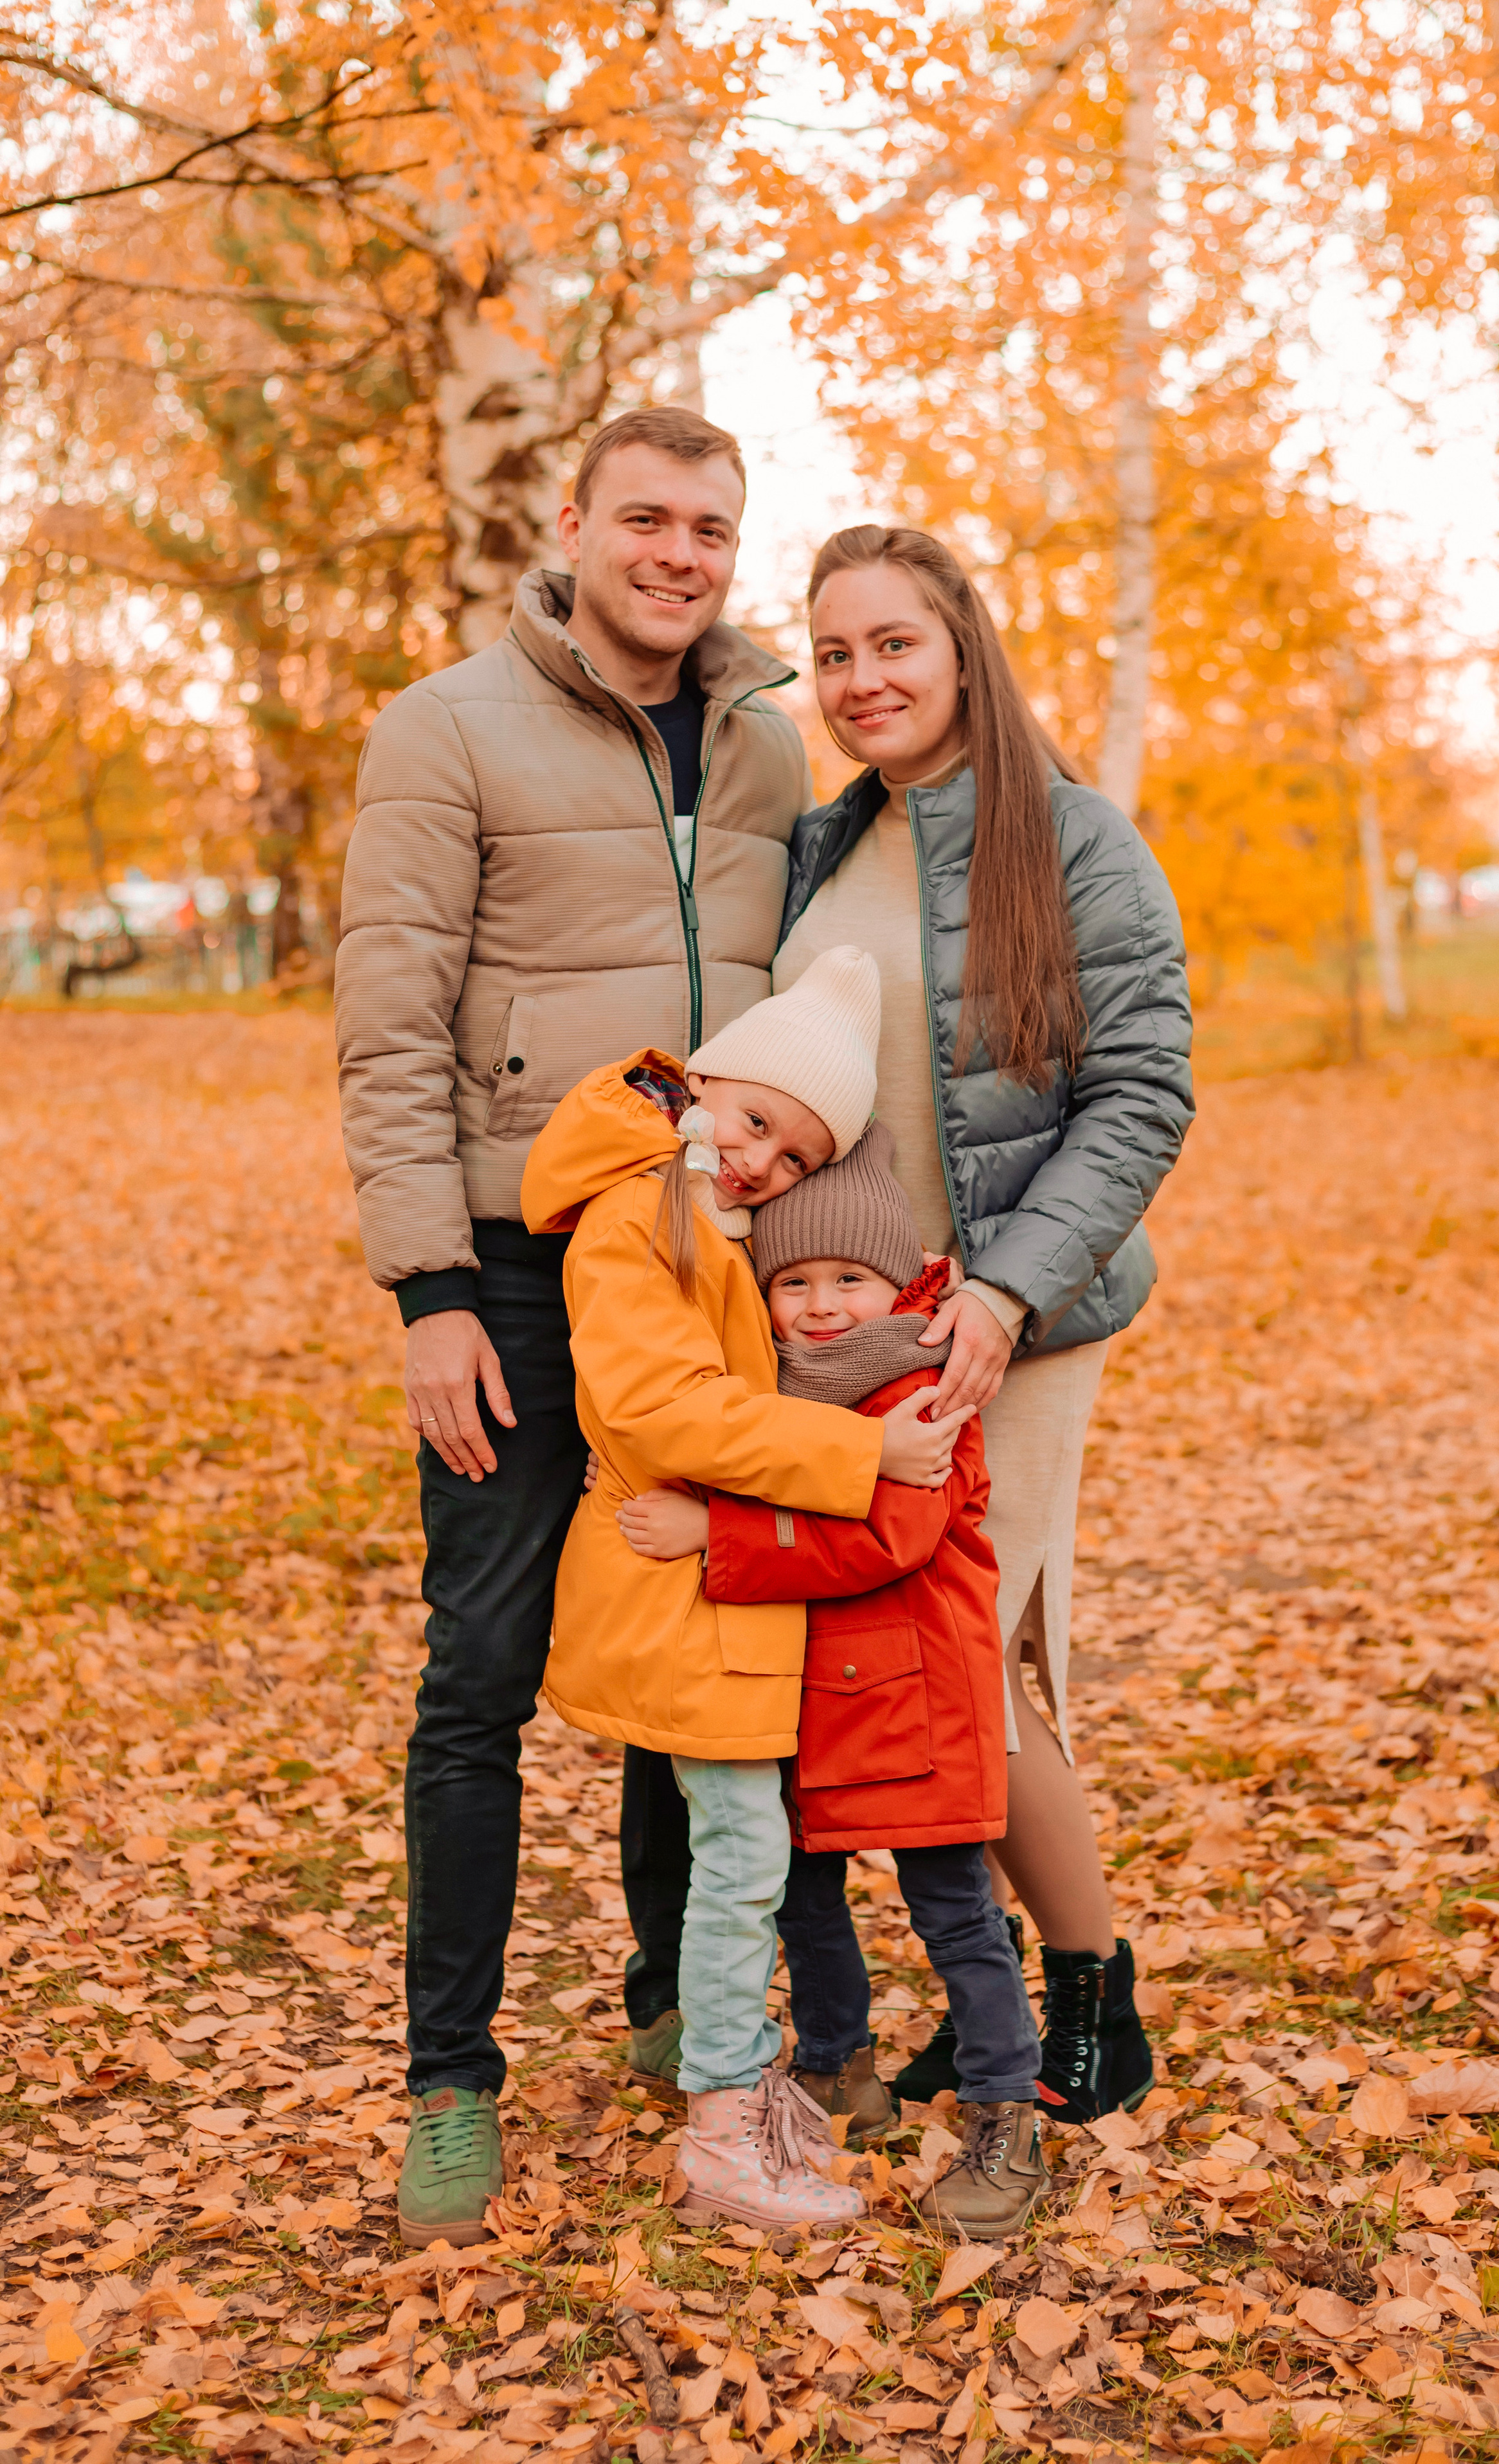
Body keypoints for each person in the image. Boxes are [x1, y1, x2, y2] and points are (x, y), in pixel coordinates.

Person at [333, 403, 820, 2249]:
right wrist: (428, 1293)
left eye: (710, 525)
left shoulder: (772, 750)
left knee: (676, 1660)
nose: (679, 554)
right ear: (575, 522)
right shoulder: (445, 727)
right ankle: (450, 2079)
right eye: (647, 520)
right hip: (514, 1274)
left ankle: (662, 2005)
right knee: (480, 1677)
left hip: (711, 1271)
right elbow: (389, 1026)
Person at [779, 523, 1195, 2118]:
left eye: (892, 643)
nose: (861, 679)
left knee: (960, 1664)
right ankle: (1000, 1990)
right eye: (831, 654)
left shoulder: (1075, 841)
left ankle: (1086, 1988)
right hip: (856, 1335)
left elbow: (1143, 1090)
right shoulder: (830, 844)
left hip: (1010, 1317)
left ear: (961, 646)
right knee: (938, 1668)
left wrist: (1009, 1290)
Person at [519, 949, 973, 2229]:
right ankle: (721, 2124)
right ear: (704, 1076)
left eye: (792, 1156)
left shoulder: (699, 1207)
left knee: (744, 1851)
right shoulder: (636, 1210)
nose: (764, 1161)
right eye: (758, 1119)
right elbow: (661, 1407)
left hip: (728, 1587)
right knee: (739, 1854)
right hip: (678, 1593)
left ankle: (741, 2089)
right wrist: (861, 1452)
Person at [618, 1124, 1052, 2237]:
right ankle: (834, 2065)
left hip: (920, 1698)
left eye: (848, 1280)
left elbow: (883, 1535)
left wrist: (715, 1531)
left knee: (956, 1912)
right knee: (805, 1901)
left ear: (896, 1280)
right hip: (812, 1698)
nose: (819, 1306)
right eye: (793, 1281)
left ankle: (1009, 2109)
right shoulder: (771, 1393)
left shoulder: (921, 1387)